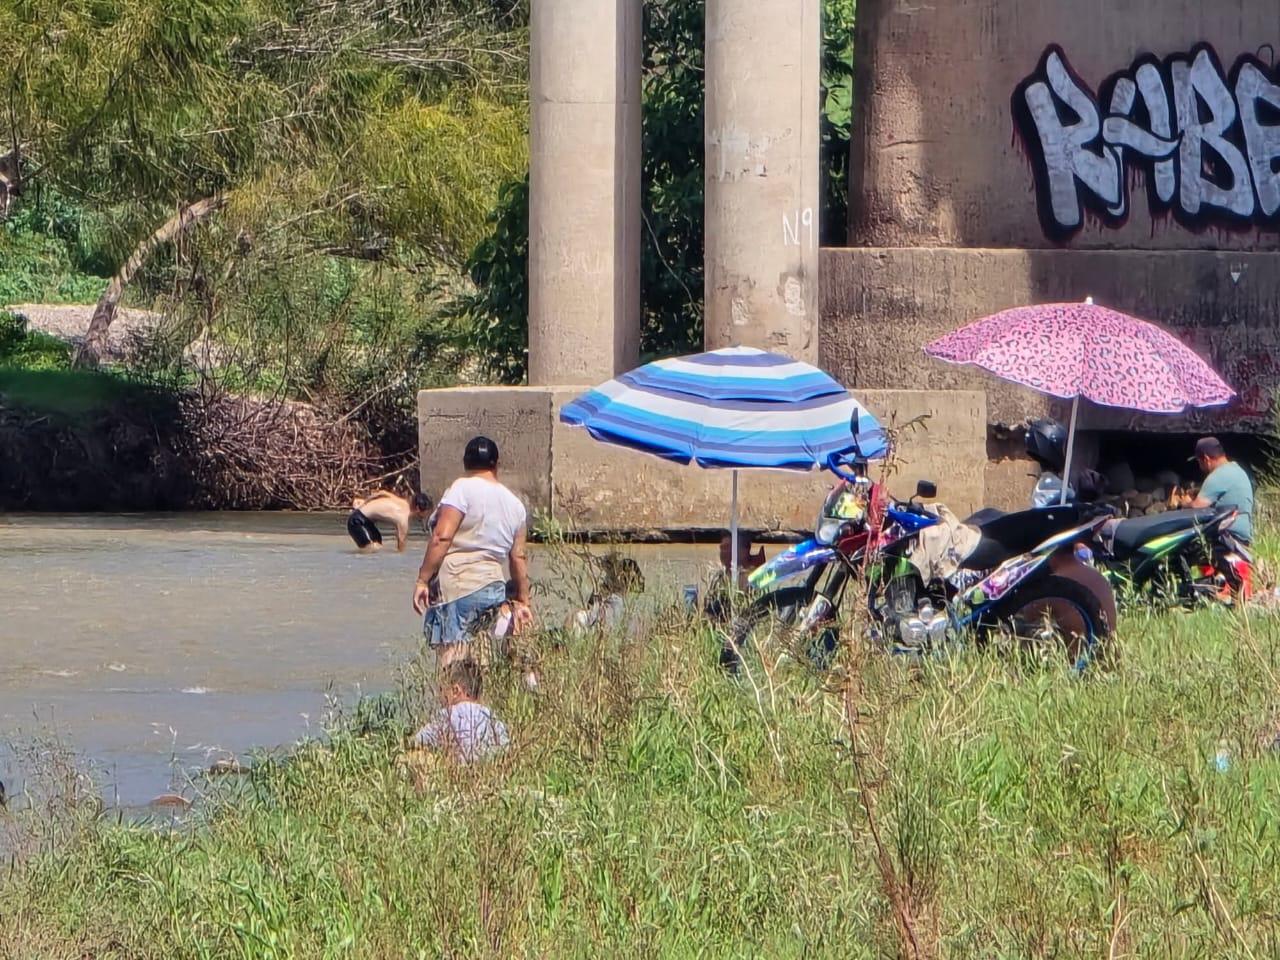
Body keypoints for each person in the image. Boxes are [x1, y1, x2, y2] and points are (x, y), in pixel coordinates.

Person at [412, 437, 532, 668]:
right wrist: (523, 602)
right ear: (496, 464)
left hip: (458, 584)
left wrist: (422, 580)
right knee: (481, 662)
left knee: (453, 661)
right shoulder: (515, 505)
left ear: (466, 464)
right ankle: (479, 703)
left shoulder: (461, 488)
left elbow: (442, 537)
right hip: (493, 588)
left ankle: (453, 704)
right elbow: (517, 557)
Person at [407, 659, 509, 763]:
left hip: (460, 768)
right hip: (487, 767)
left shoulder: (448, 715)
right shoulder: (490, 716)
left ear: (455, 691)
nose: (440, 697)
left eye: (442, 690)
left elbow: (419, 740)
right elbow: (505, 745)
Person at [1177, 437, 1254, 542]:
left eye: (1199, 462)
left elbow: (1196, 508)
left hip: (1227, 535)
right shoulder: (1237, 470)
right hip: (1244, 534)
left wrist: (1184, 503)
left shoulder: (1217, 475)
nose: (1200, 466)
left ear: (1206, 459)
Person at [348, 489, 434, 553]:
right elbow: (401, 542)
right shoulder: (403, 519)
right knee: (372, 548)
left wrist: (365, 502)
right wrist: (401, 556)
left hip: (366, 521)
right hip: (356, 521)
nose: (427, 515)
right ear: (418, 509)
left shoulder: (401, 501)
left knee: (378, 546)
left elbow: (382, 493)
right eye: (427, 512)